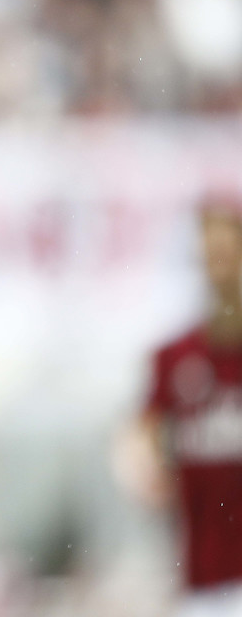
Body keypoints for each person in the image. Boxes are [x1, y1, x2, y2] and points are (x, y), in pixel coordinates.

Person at [135, 198, 242, 617]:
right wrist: (148, 469)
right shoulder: (176, 356)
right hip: (204, 576)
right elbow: (141, 441)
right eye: (209, 257)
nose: (219, 269)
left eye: (227, 254)